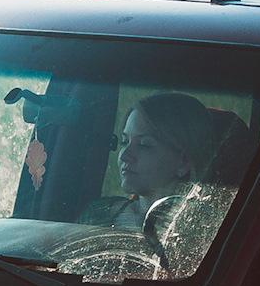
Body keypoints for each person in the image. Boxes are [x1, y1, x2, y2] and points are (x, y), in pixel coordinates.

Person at [78, 91, 222, 229]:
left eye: (144, 145)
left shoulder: (201, 229)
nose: (125, 155)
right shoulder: (98, 215)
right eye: (124, 142)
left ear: (183, 162)